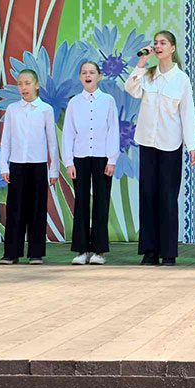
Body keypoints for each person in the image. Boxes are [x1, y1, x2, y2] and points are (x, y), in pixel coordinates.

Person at [125, 30, 195, 266]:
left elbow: (187, 114)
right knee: (147, 195)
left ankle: (168, 252)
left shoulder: (181, 79)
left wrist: (191, 145)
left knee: (167, 197)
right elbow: (130, 89)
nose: (158, 46)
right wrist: (141, 63)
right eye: (155, 43)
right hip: (147, 142)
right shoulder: (148, 75)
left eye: (163, 43)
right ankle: (149, 251)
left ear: (172, 48)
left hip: (170, 145)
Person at [62, 61, 120, 265]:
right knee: (81, 203)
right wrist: (68, 162)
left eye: (92, 72)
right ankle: (81, 250)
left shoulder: (108, 101)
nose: (88, 76)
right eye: (84, 73)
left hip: (103, 157)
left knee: (101, 202)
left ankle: (99, 250)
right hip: (80, 158)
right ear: (80, 77)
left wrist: (112, 159)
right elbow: (68, 133)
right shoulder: (74, 103)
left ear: (99, 76)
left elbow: (113, 130)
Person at [0, 69, 59, 265]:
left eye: (27, 83)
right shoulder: (12, 109)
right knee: (15, 210)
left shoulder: (45, 110)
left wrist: (54, 169)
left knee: (37, 209)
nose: (23, 87)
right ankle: (11, 253)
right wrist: (4, 166)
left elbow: (52, 142)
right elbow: (6, 139)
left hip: (38, 165)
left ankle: (36, 253)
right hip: (17, 165)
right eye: (20, 84)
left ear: (36, 85)